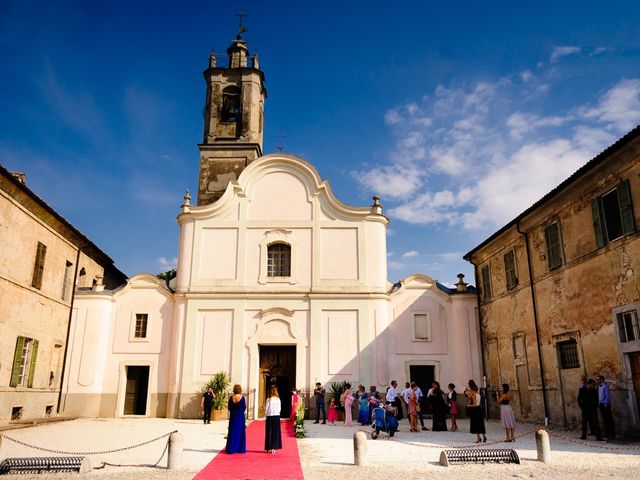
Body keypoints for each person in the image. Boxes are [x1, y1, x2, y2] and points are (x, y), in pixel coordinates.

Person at [224, 384, 246, 454]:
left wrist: (234, 412)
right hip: (240, 417)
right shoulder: (242, 398)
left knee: (232, 432)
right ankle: (240, 449)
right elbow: (244, 407)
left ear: (234, 390)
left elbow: (229, 407)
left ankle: (231, 448)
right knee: (240, 432)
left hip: (233, 417)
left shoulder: (231, 398)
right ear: (240, 390)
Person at [264, 385, 282, 454]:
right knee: (276, 432)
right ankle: (274, 447)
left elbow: (267, 409)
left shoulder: (268, 399)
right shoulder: (278, 399)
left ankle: (269, 447)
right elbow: (279, 409)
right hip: (276, 416)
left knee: (269, 432)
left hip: (270, 416)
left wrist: (265, 416)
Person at [597, 375, 615, 440]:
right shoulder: (599, 387)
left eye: (598, 379)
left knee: (609, 420)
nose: (597, 381)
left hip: (605, 405)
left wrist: (605, 405)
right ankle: (608, 434)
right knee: (605, 420)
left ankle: (612, 434)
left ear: (601, 379)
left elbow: (608, 396)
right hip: (601, 405)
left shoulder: (605, 386)